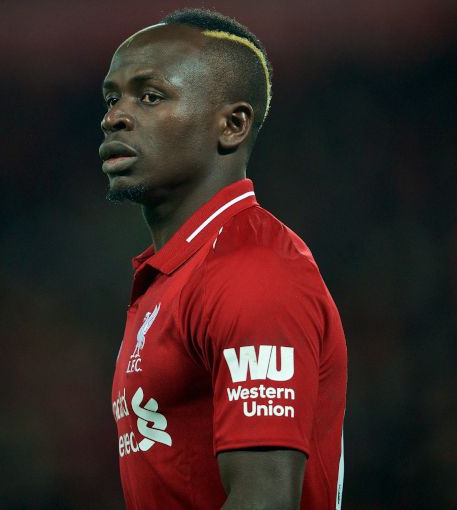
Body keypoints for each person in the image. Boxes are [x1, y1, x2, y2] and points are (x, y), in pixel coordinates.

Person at [101, 8, 347, 509]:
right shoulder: (175, 274)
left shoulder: (253, 271)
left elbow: (265, 499)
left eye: (150, 96)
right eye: (112, 98)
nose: (114, 117)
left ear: (233, 125)